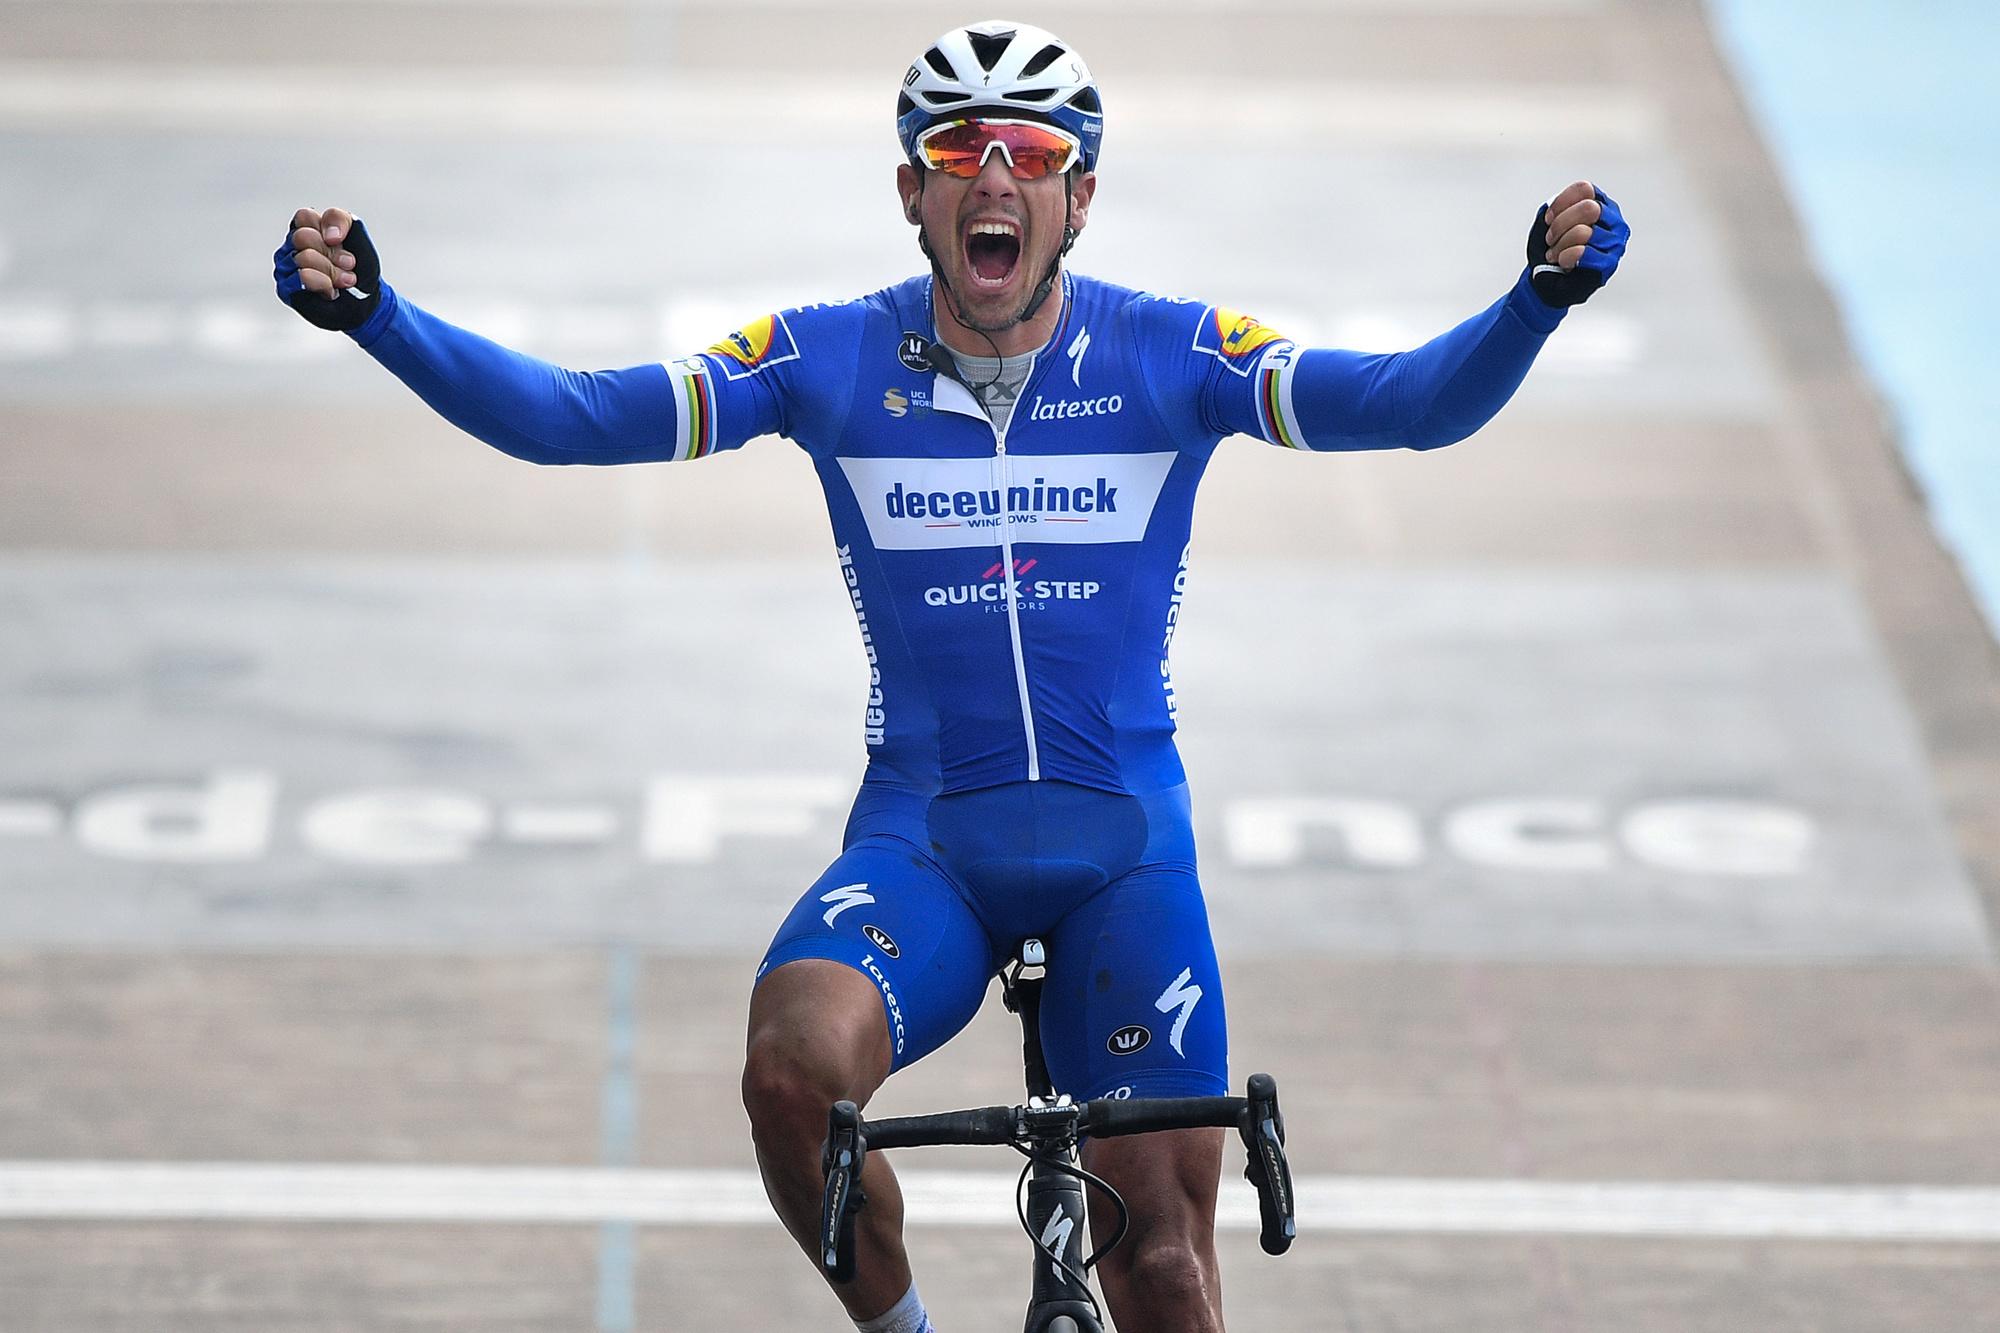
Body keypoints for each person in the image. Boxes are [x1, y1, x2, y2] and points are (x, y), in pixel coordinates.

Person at [275, 20, 1627, 1333]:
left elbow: (1407, 403)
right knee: (792, 1068)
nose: (995, 177)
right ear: (912, 191)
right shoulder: (825, 359)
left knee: (1161, 1266)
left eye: (1032, 154)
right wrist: (378, 318)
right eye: (959, 150)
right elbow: (571, 421)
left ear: (1079, 196)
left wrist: (1533, 304)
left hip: (1121, 853)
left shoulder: (1174, 354)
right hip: (927, 844)